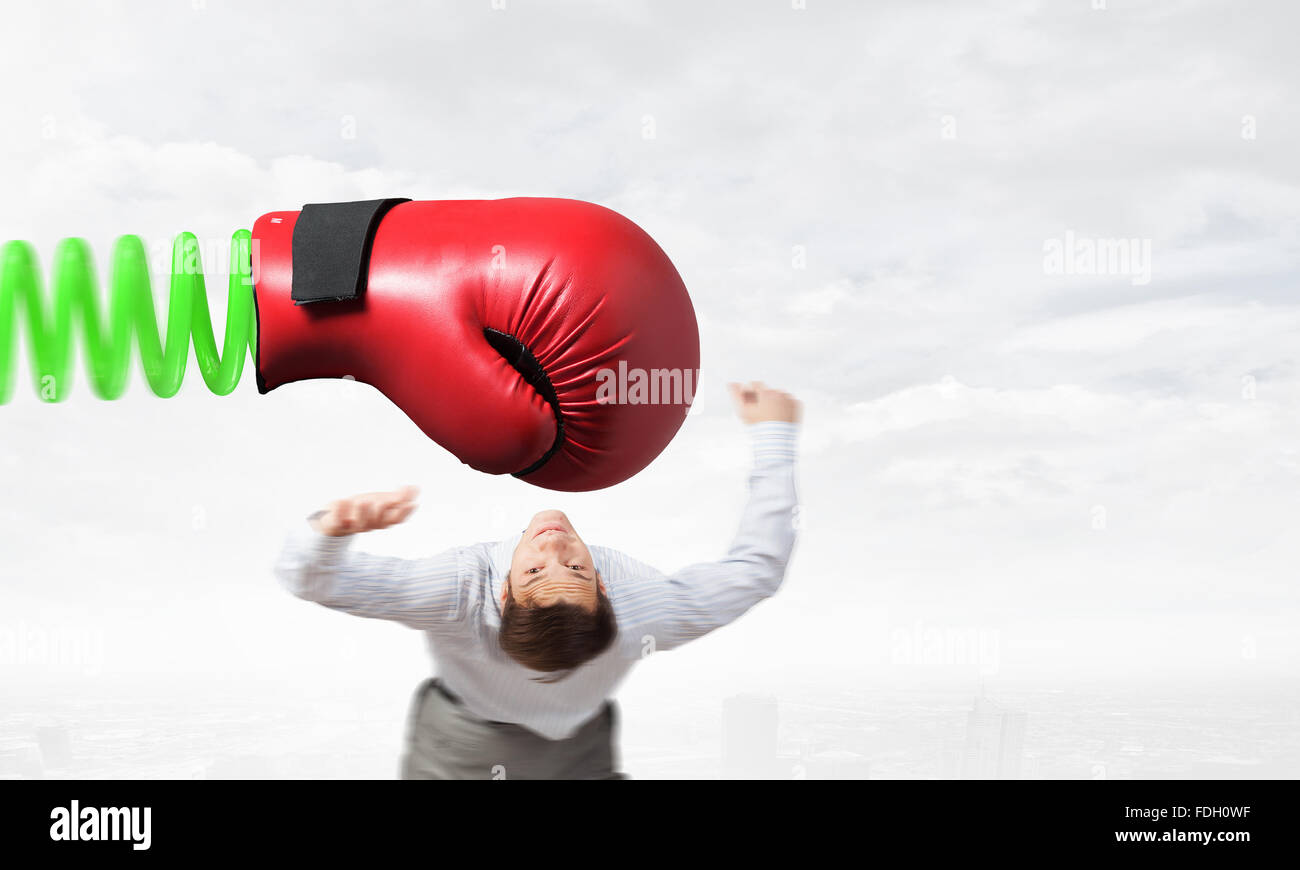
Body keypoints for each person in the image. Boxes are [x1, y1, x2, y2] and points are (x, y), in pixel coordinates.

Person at [274, 381, 801, 779]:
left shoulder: (457, 591)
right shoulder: (644, 607)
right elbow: (755, 570)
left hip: (564, 752)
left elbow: (310, 579)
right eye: (574, 569)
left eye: (536, 571)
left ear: (503, 591)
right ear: (604, 589)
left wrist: (331, 530)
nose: (554, 544)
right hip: (470, 753)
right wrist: (774, 436)